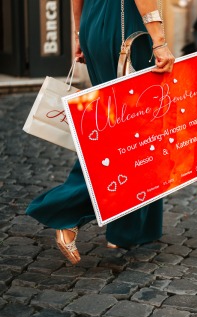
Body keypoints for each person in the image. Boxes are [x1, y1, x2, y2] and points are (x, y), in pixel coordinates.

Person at [26, 0, 175, 265]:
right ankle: (67, 210)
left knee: (124, 126)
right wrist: (159, 40)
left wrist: (80, 33)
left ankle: (133, 229)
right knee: (135, 130)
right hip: (128, 30)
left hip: (95, 25)